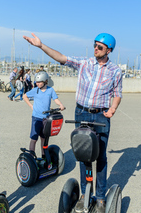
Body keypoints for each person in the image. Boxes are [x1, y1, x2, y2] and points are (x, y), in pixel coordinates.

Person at [23, 32, 123, 213]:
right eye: (95, 45)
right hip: (82, 113)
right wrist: (41, 45)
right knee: (83, 155)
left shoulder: (115, 71)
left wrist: (113, 108)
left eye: (100, 47)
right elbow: (61, 57)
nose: (96, 48)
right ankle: (84, 194)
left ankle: (100, 198)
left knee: (100, 157)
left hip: (101, 116)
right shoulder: (84, 63)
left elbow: (117, 94)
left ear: (108, 50)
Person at [23, 71, 65, 156]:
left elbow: (55, 99)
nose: (37, 84)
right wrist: (31, 106)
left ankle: (43, 155)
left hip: (46, 118)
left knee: (43, 138)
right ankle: (31, 156)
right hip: (36, 117)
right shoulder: (35, 90)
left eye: (39, 82)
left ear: (45, 81)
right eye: (36, 82)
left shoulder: (50, 90)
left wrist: (60, 104)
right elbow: (24, 96)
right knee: (34, 138)